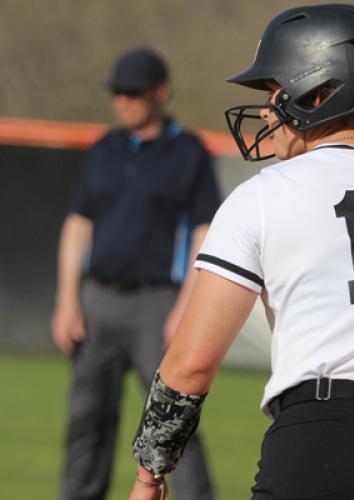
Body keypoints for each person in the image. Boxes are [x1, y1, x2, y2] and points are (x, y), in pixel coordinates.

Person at [128, 6, 354, 500]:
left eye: (274, 92)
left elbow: (189, 365)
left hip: (319, 438)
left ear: (319, 91)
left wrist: (149, 473)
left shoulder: (264, 195)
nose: (265, 110)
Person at [52, 47, 218, 500]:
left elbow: (205, 231)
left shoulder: (188, 152)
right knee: (87, 418)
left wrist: (185, 309)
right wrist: (68, 300)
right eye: (117, 93)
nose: (122, 101)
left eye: (133, 93)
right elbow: (78, 223)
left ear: (160, 92)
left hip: (157, 303)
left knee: (172, 417)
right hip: (99, 300)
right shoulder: (105, 149)